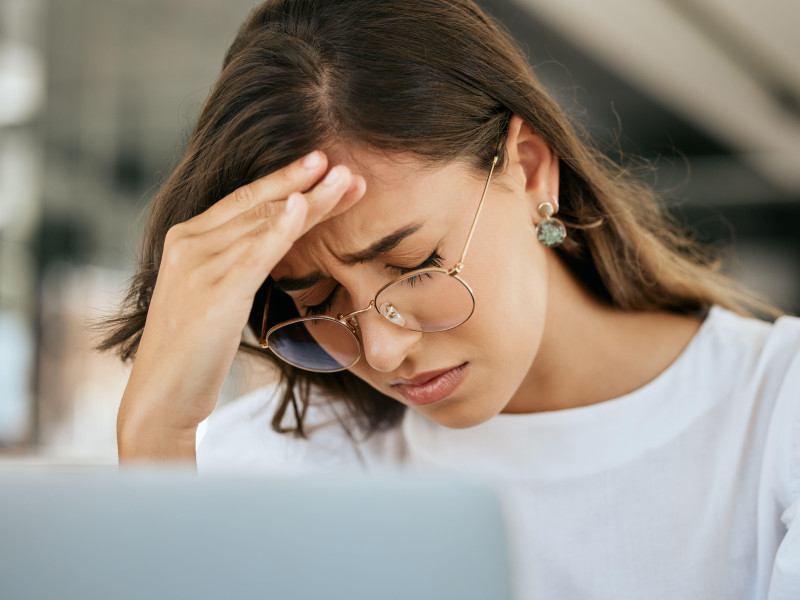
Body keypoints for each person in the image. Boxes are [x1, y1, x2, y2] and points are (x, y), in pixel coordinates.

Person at [99, 0, 800, 598]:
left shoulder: (774, 416)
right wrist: (157, 438)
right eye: (316, 298)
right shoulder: (272, 466)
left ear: (529, 169)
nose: (381, 349)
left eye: (414, 264)